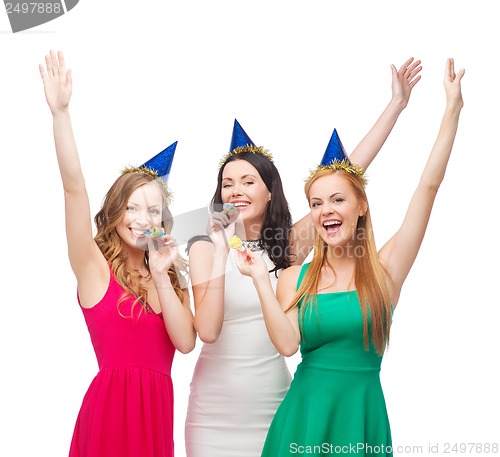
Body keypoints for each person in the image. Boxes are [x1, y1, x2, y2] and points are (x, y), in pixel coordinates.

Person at [185, 58, 423, 457]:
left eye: (248, 181)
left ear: (270, 192)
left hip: (275, 402)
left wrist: (395, 106)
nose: (236, 191)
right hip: (213, 406)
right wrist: (219, 243)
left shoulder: (289, 248)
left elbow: (347, 174)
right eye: (227, 184)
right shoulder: (202, 245)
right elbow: (203, 327)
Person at [236, 58, 464, 456]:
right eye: (317, 203)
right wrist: (259, 280)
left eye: (338, 199)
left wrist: (451, 111)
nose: (326, 210)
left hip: (360, 417)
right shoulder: (294, 276)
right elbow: (288, 345)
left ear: (361, 206)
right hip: (302, 421)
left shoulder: (386, 270)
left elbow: (428, 186)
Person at [39, 50, 196, 457]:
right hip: (108, 420)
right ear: (114, 211)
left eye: (153, 210)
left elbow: (185, 343)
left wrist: (161, 274)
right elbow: (74, 189)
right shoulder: (94, 269)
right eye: (132, 206)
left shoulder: (171, 278)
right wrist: (61, 114)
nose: (143, 218)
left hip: (156, 422)